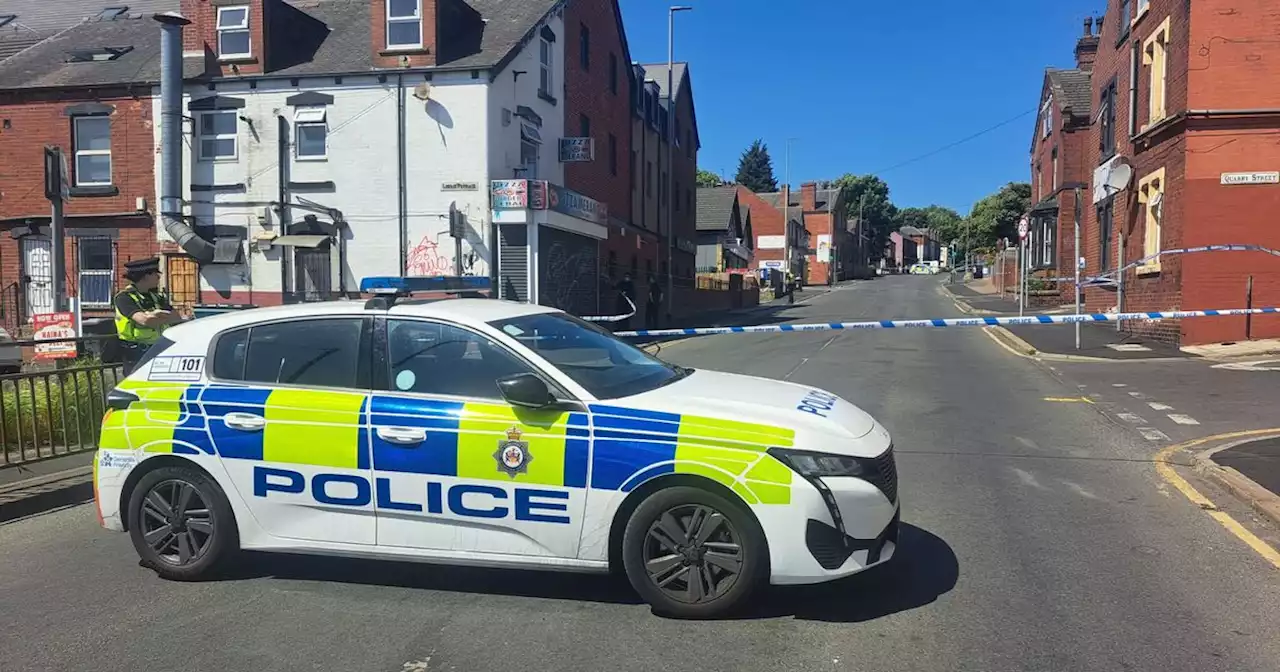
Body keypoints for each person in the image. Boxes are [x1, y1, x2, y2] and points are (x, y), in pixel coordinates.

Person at [113, 257, 189, 374]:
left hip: (160, 349)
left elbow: (176, 317)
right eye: (155, 274)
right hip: (136, 353)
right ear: (145, 276)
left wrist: (155, 316)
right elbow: (144, 321)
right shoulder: (124, 298)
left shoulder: (156, 297)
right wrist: (155, 316)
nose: (159, 277)